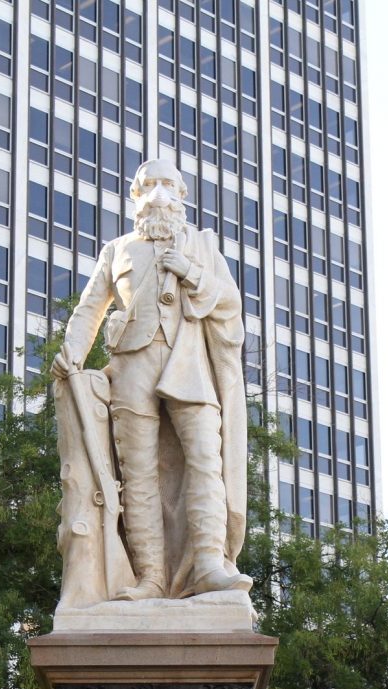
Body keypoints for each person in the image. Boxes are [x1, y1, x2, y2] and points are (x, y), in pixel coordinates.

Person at [52, 158, 252, 606]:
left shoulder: (202, 246)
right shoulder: (117, 249)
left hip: (190, 364)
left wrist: (190, 271)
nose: (158, 193)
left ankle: (209, 566)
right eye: (149, 184)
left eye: (167, 184)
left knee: (205, 461)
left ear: (181, 195)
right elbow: (90, 308)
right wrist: (73, 351)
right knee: (137, 473)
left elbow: (230, 303)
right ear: (136, 196)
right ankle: (151, 579)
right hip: (131, 367)